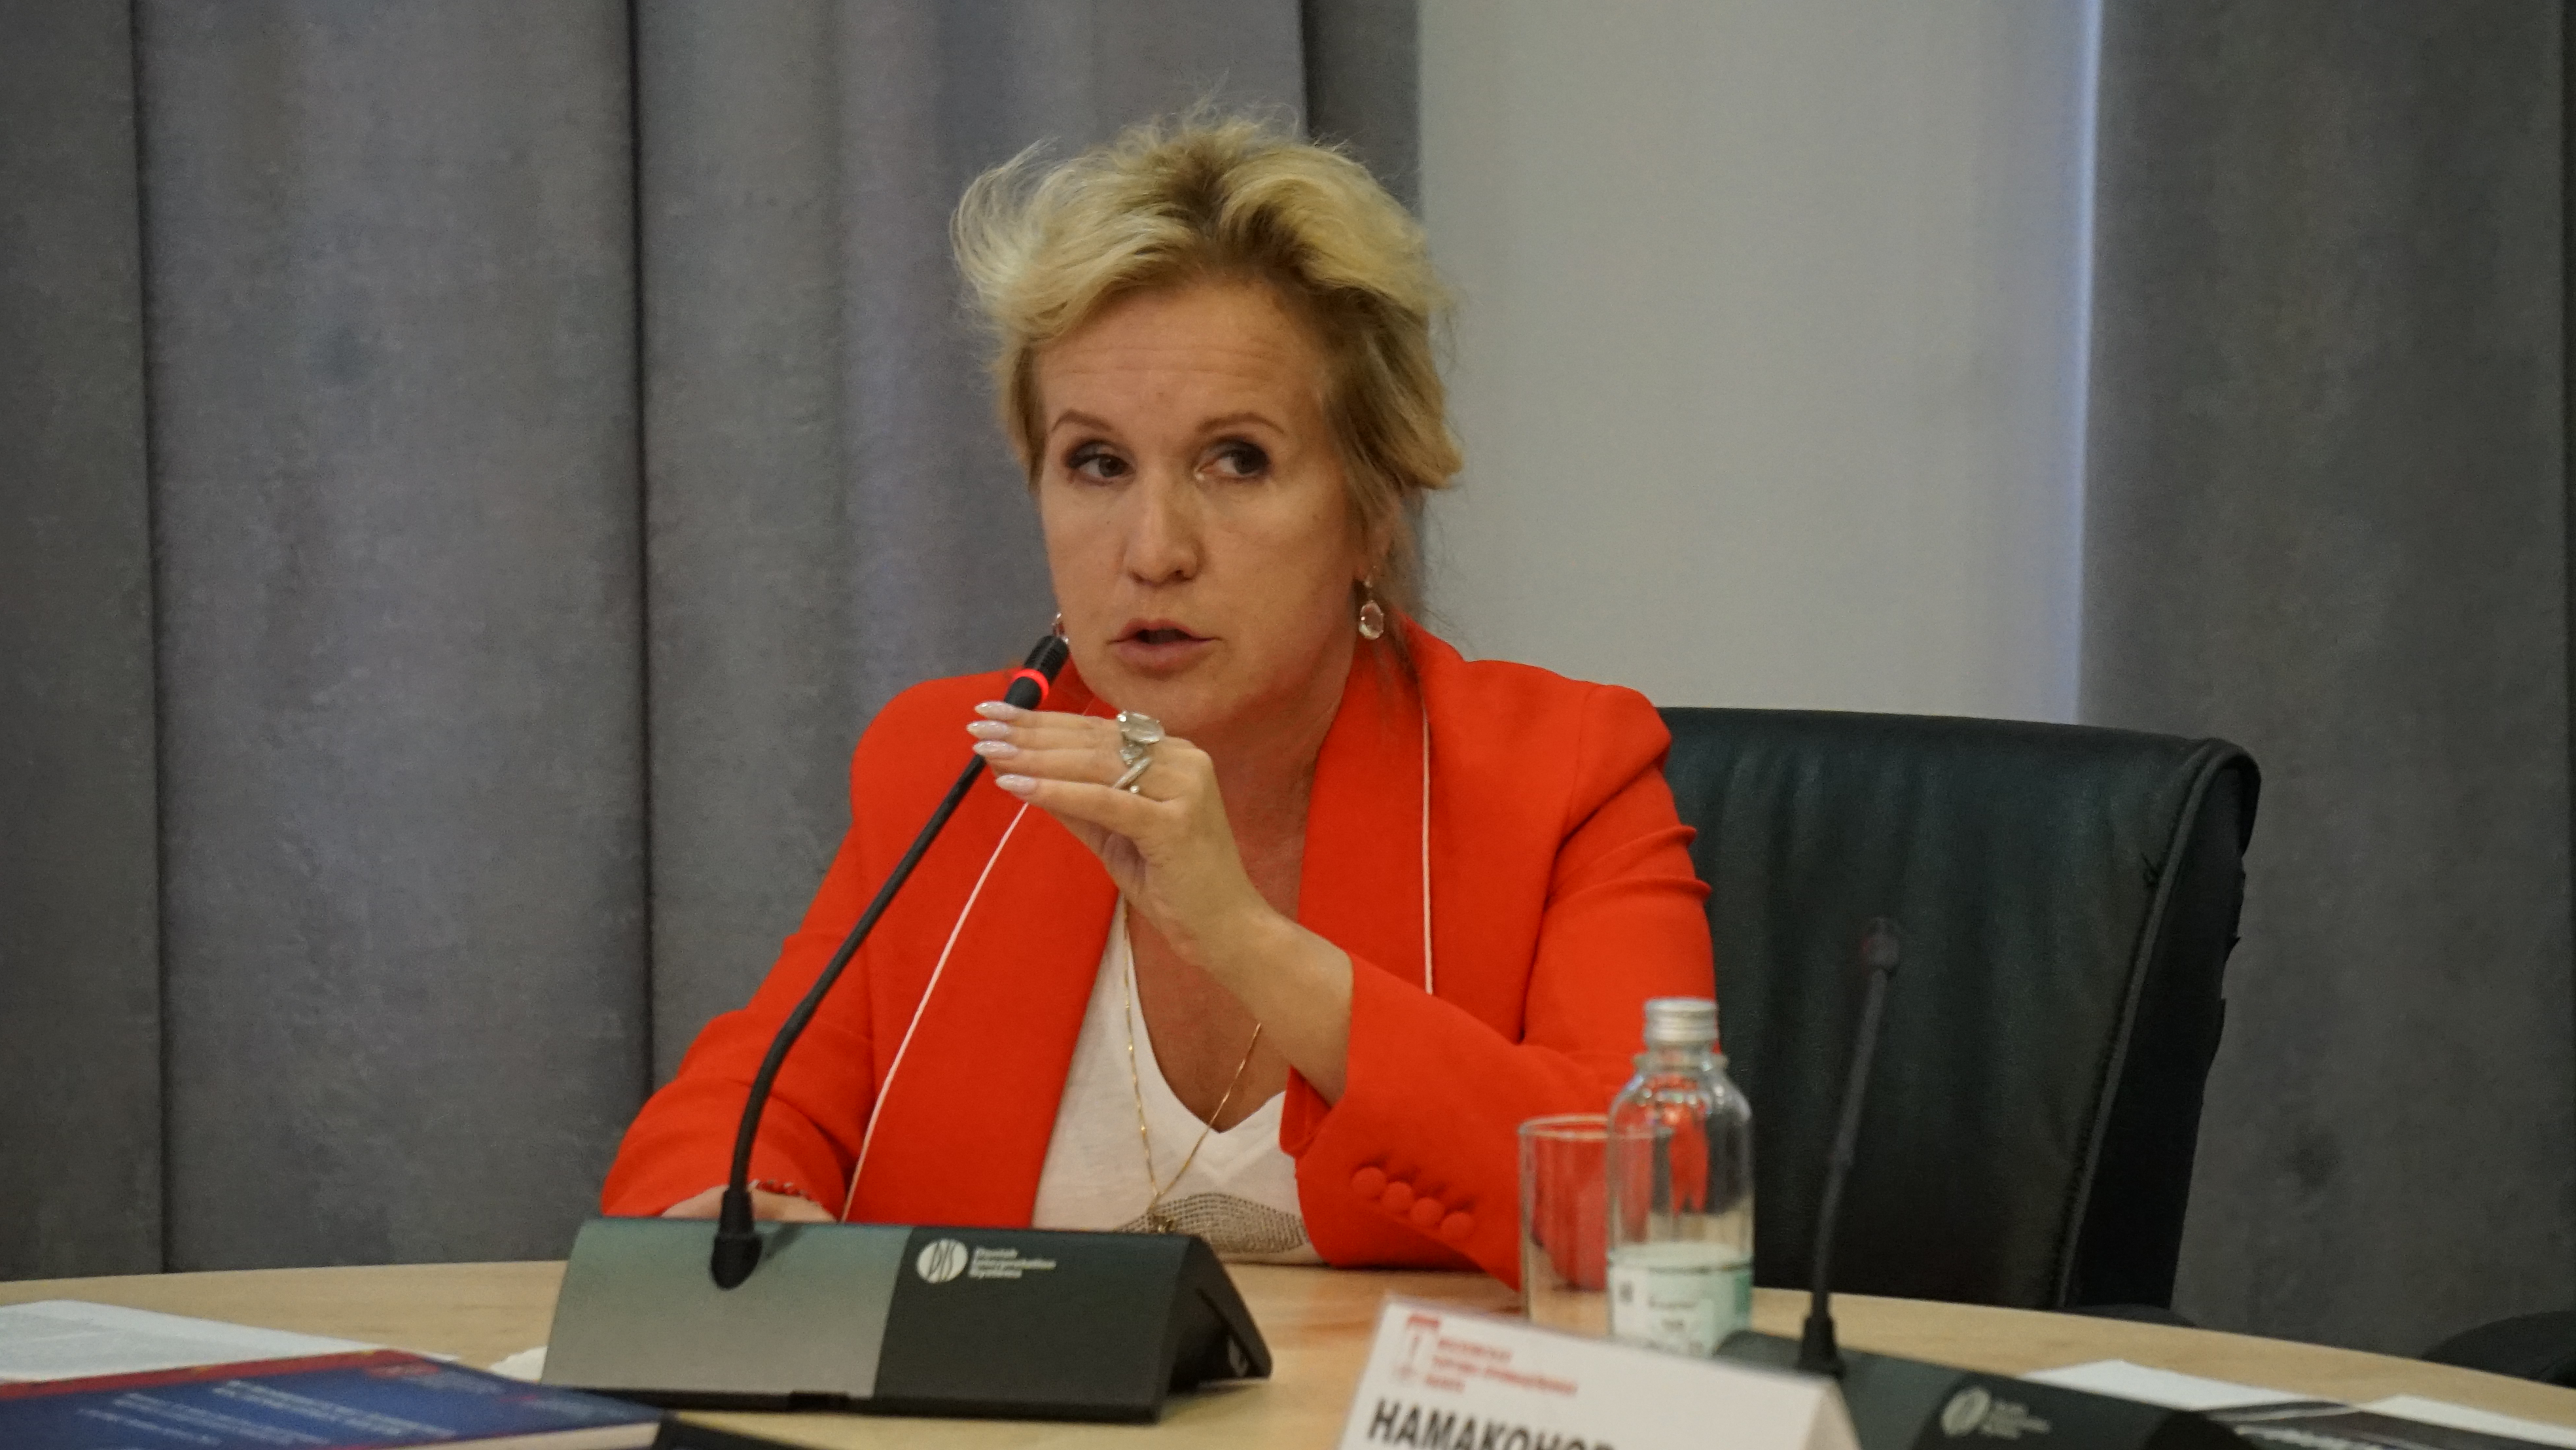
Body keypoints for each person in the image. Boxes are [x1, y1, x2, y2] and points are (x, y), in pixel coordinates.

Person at [601, 115, 1714, 1283]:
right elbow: (747, 1109)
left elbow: (1657, 1207)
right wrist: (732, 1208)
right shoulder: (958, 766)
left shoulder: (1563, 777)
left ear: (1373, 514)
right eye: (1097, 463)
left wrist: (1243, 940)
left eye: (1237, 460)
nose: (1152, 551)